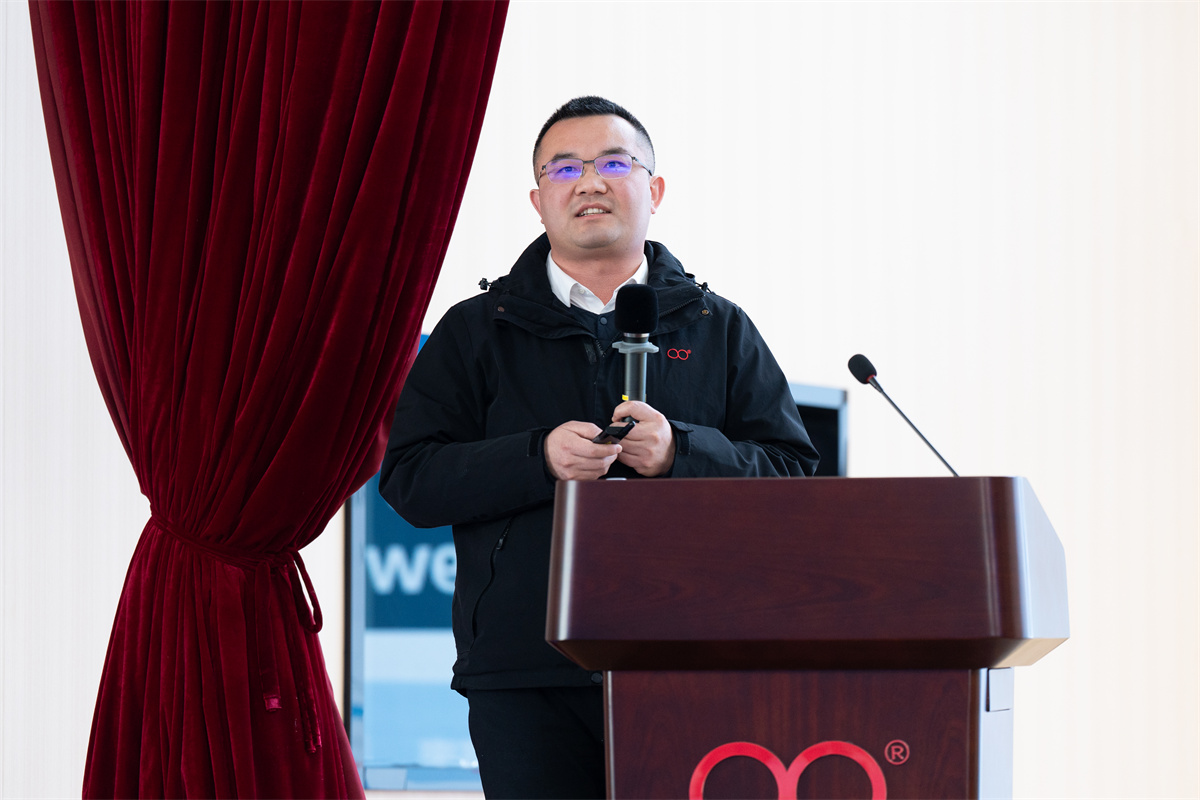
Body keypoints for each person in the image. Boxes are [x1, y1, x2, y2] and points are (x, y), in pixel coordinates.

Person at [379, 96, 819, 799]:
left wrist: (683, 453)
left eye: (615, 164)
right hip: (526, 672)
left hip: (693, 663)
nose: (589, 182)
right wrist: (537, 459)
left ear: (655, 189)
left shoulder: (719, 327)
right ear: (537, 201)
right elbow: (410, 481)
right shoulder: (476, 330)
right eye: (564, 169)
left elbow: (794, 480)